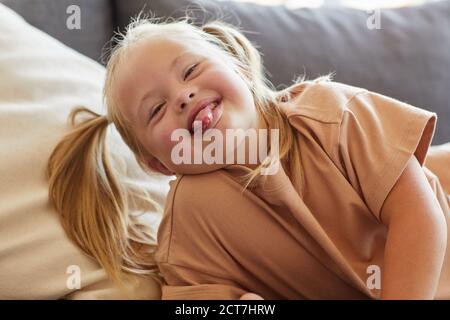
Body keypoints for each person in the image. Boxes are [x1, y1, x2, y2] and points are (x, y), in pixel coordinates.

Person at [47, 14, 450, 299]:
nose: (183, 97)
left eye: (190, 71)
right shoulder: (191, 221)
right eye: (156, 110)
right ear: (158, 164)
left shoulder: (326, 112)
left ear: (238, 67)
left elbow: (419, 213)